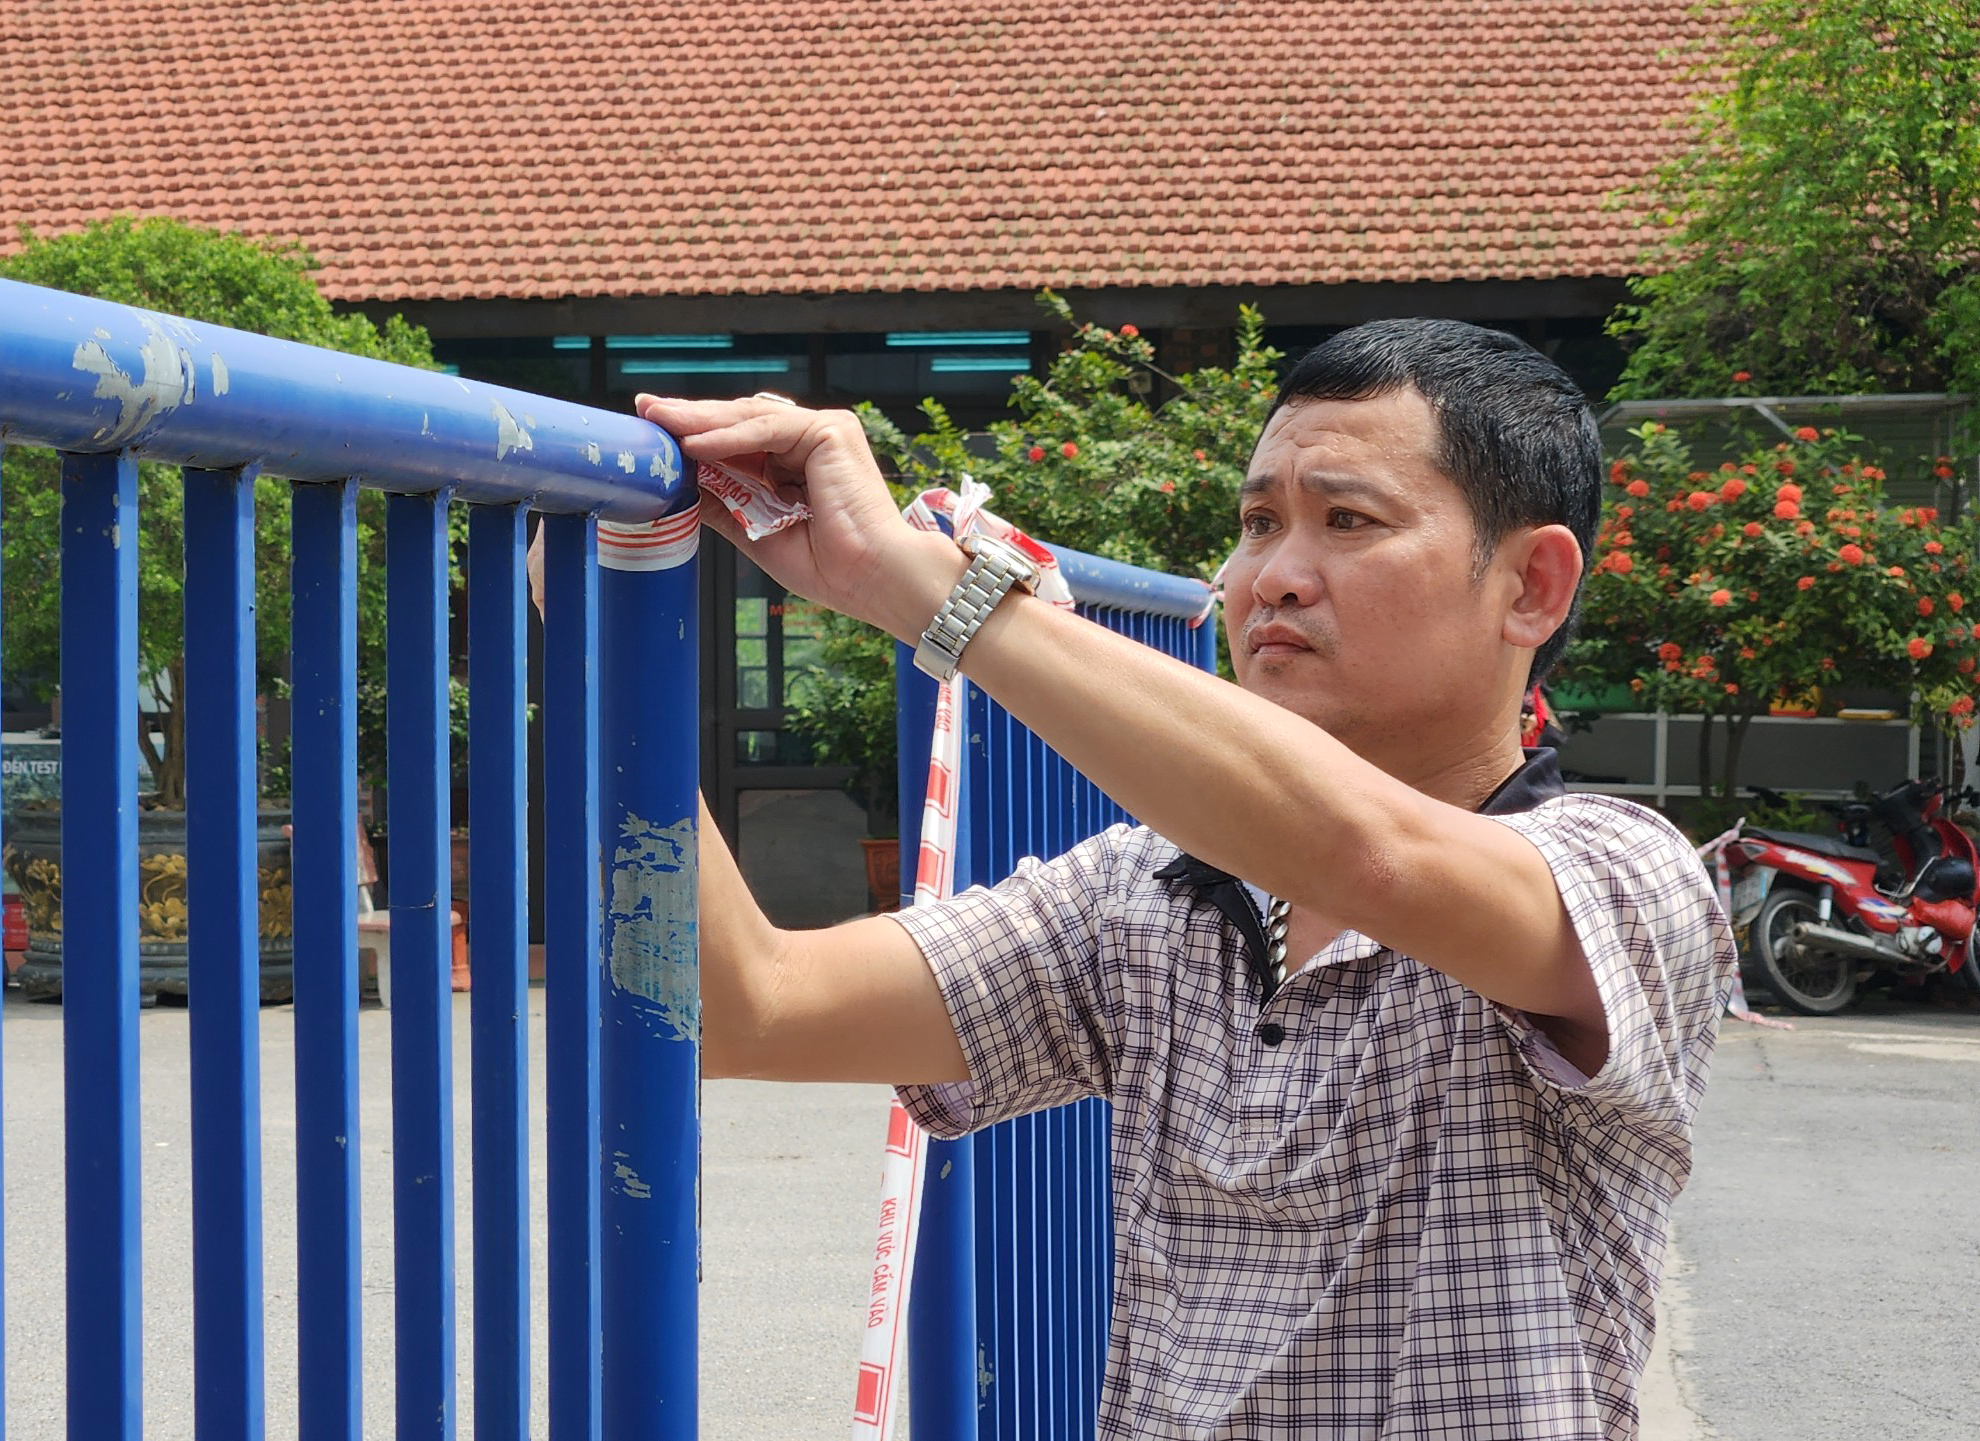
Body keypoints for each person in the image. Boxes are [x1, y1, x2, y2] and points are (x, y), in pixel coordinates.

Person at [645, 320, 1735, 1440]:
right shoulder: (1145, 893)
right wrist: (605, 634)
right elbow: (743, 1006)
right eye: (1258, 523)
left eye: (1346, 520)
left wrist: (918, 586)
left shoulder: (1624, 879)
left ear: (1531, 586)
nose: (1270, 578)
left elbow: (1368, 854)